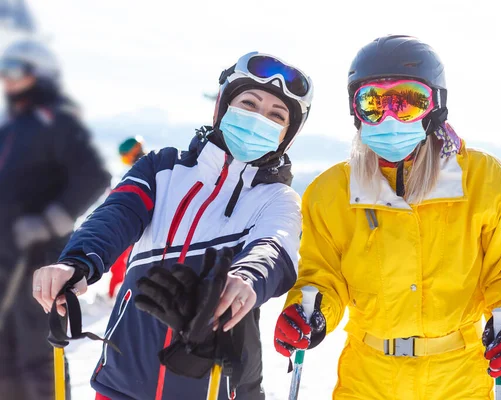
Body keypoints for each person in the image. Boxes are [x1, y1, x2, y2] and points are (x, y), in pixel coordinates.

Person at [273, 35, 501, 399]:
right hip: (367, 375)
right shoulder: (332, 191)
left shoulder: (481, 179)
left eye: (407, 103)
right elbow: (320, 273)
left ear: (436, 106)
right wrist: (310, 311)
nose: (389, 118)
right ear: (356, 112)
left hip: (460, 374)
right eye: (373, 103)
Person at [31, 51, 313, 400]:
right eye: (249, 104)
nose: (259, 119)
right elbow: (117, 214)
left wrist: (245, 280)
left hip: (214, 383)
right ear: (223, 108)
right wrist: (76, 261)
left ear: (287, 134)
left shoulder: (278, 200)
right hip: (123, 379)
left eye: (276, 115)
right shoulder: (162, 168)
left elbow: (275, 247)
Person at [0, 39, 111, 400]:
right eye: (4, 71)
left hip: (39, 261)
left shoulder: (56, 122)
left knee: (37, 356)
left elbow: (94, 176)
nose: (8, 80)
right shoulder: (12, 129)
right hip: (6, 259)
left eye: (16, 70)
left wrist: (49, 221)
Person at [107, 137, 148, 299]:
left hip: (135, 227)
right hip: (135, 226)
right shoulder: (143, 168)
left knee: (125, 264)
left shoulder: (142, 170)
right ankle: (116, 295)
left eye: (125, 156)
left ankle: (118, 296)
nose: (125, 161)